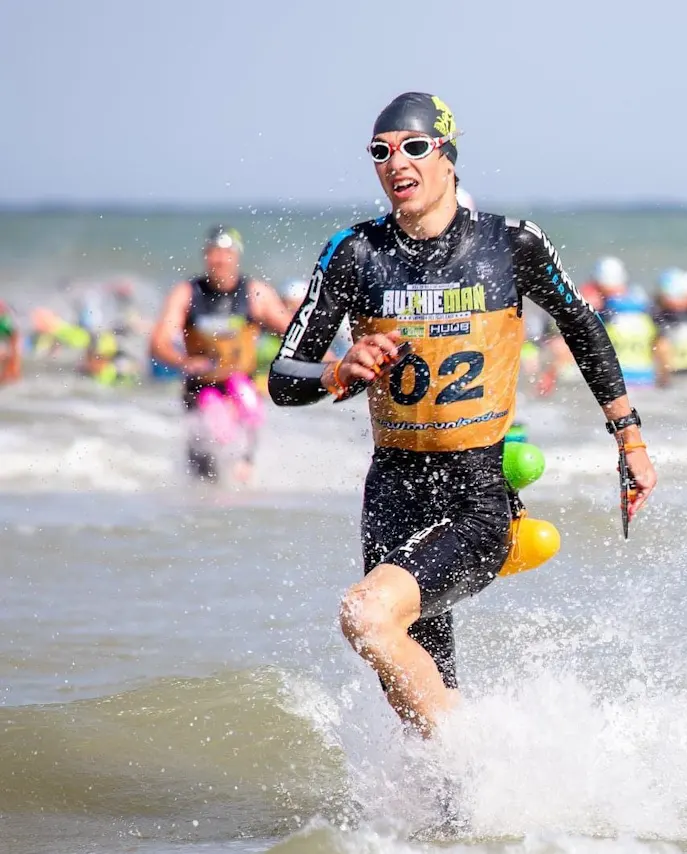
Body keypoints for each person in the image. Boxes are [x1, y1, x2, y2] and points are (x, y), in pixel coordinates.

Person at [268, 92, 657, 736]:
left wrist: (630, 439)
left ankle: (480, 764)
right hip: (393, 490)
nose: (399, 163)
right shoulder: (353, 253)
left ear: (448, 155)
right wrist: (339, 370)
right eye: (381, 152)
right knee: (413, 666)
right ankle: (451, 818)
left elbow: (584, 328)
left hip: (476, 494)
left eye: (415, 147)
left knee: (366, 616)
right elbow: (284, 377)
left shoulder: (510, 244)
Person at [150, 226, 293, 482]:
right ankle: (202, 508)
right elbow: (159, 343)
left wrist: (331, 363)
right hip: (200, 389)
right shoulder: (187, 293)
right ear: (205, 255)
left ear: (236, 256)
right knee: (205, 475)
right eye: (213, 253)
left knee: (246, 404)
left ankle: (246, 477)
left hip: (240, 385)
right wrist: (183, 361)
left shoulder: (255, 293)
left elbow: (295, 333)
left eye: (226, 253)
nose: (219, 259)